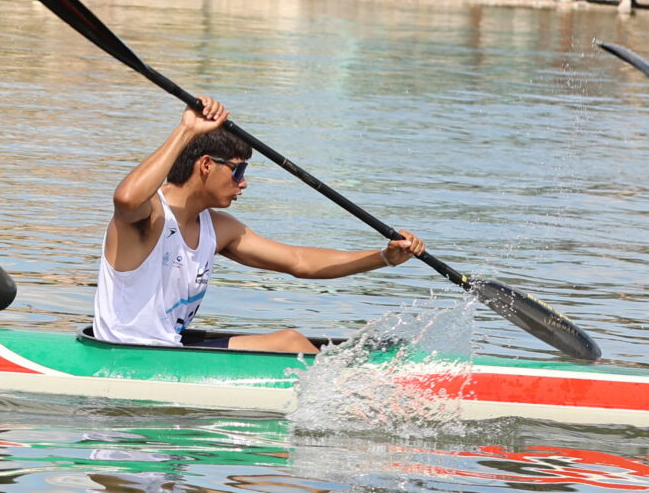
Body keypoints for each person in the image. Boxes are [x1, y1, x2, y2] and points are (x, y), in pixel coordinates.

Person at [93, 99, 425, 353]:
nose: (243, 183)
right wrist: (187, 130)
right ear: (206, 165)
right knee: (290, 343)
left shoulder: (219, 228)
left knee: (290, 342)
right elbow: (125, 198)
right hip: (126, 353)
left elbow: (299, 262)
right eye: (237, 171)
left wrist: (383, 257)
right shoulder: (149, 215)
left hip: (169, 350)